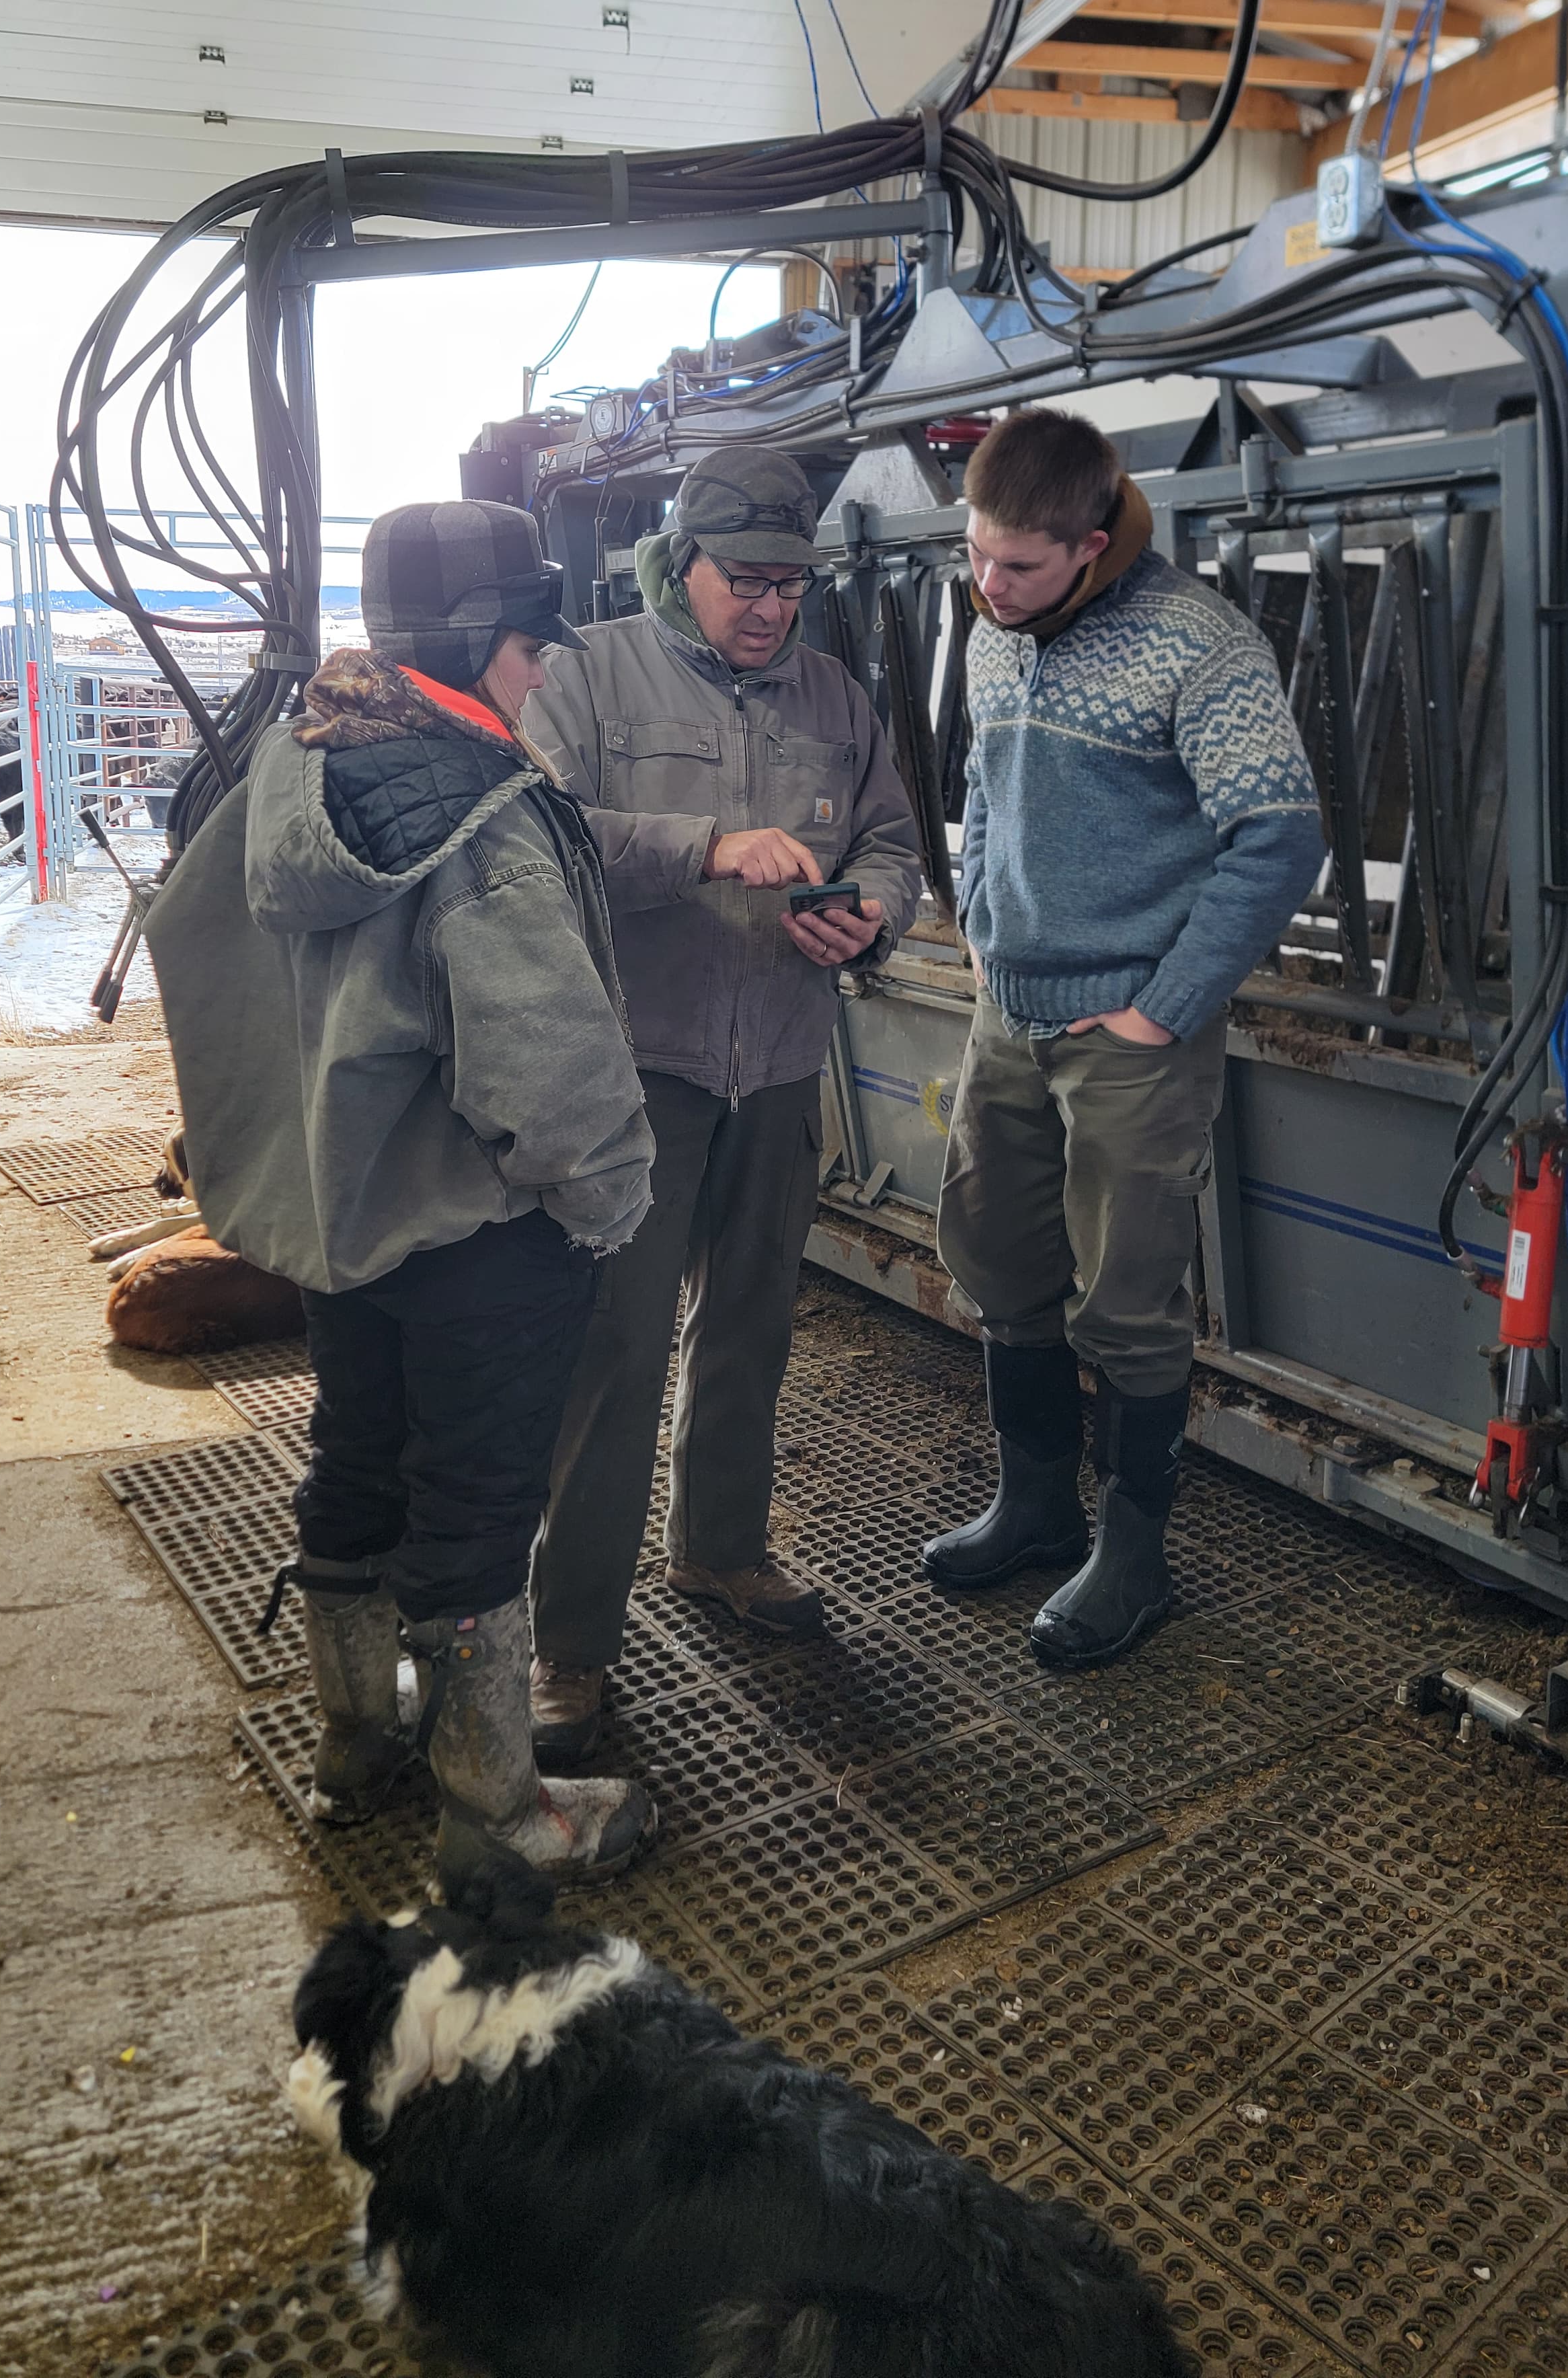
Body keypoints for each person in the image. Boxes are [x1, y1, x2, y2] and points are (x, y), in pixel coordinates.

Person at [146, 498, 658, 1889]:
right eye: (530, 640)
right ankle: (496, 1808)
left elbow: (200, 964)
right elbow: (545, 1054)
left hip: (346, 1212)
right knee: (480, 1502)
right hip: (480, 1224)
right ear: (488, 638)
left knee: (358, 1456)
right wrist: (605, 1203)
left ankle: (356, 1741)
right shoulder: (476, 815)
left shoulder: (289, 762)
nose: (542, 668)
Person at [523, 443, 924, 1767]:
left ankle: (723, 1552)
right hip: (646, 1068)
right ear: (677, 561)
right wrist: (702, 844)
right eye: (743, 580)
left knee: (751, 1325)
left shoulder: (831, 694)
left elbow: (889, 834)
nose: (767, 606)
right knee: (617, 1354)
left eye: (787, 585)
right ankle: (570, 1643)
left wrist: (871, 914)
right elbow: (539, 835)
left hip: (783, 1061)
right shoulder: (586, 673)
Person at [924, 408, 1323, 1671]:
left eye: (1020, 567)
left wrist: (1167, 1002)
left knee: (1130, 1298)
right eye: (976, 556)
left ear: (1091, 546)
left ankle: (1135, 1558)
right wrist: (985, 923)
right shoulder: (994, 628)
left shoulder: (1199, 646)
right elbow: (983, 786)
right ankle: (1037, 1506)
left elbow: (1279, 837)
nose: (989, 587)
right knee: (999, 1259)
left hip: (1130, 1036)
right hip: (1012, 1011)